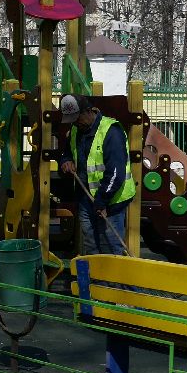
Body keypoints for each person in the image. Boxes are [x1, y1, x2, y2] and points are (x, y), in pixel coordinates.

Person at [57, 94, 135, 255]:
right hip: (86, 199)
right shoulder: (75, 129)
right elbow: (67, 152)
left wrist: (101, 202)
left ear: (88, 111)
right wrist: (66, 160)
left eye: (77, 118)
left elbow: (116, 173)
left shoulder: (111, 131)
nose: (74, 123)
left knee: (110, 248)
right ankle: (95, 279)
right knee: (91, 246)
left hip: (111, 201)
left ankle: (113, 281)